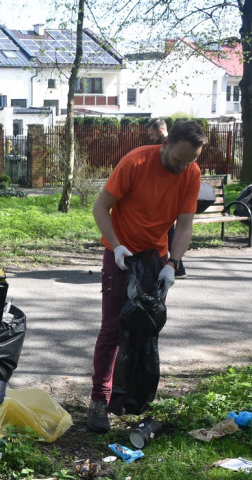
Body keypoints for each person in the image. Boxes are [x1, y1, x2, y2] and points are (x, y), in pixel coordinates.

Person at [87, 119, 206, 433]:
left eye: (189, 161)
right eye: (177, 160)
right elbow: (100, 208)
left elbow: (184, 226)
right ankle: (99, 400)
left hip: (155, 261)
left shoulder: (191, 173)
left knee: (145, 329)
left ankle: (134, 398)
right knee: (113, 330)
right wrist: (115, 246)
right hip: (122, 257)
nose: (182, 168)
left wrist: (173, 264)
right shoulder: (135, 162)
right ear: (164, 144)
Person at [146, 118, 188, 279]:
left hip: (166, 198)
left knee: (167, 231)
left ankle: (176, 267)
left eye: (151, 134)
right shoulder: (175, 147)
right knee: (168, 231)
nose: (150, 138)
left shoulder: (165, 150)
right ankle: (178, 267)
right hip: (168, 197)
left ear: (161, 132)